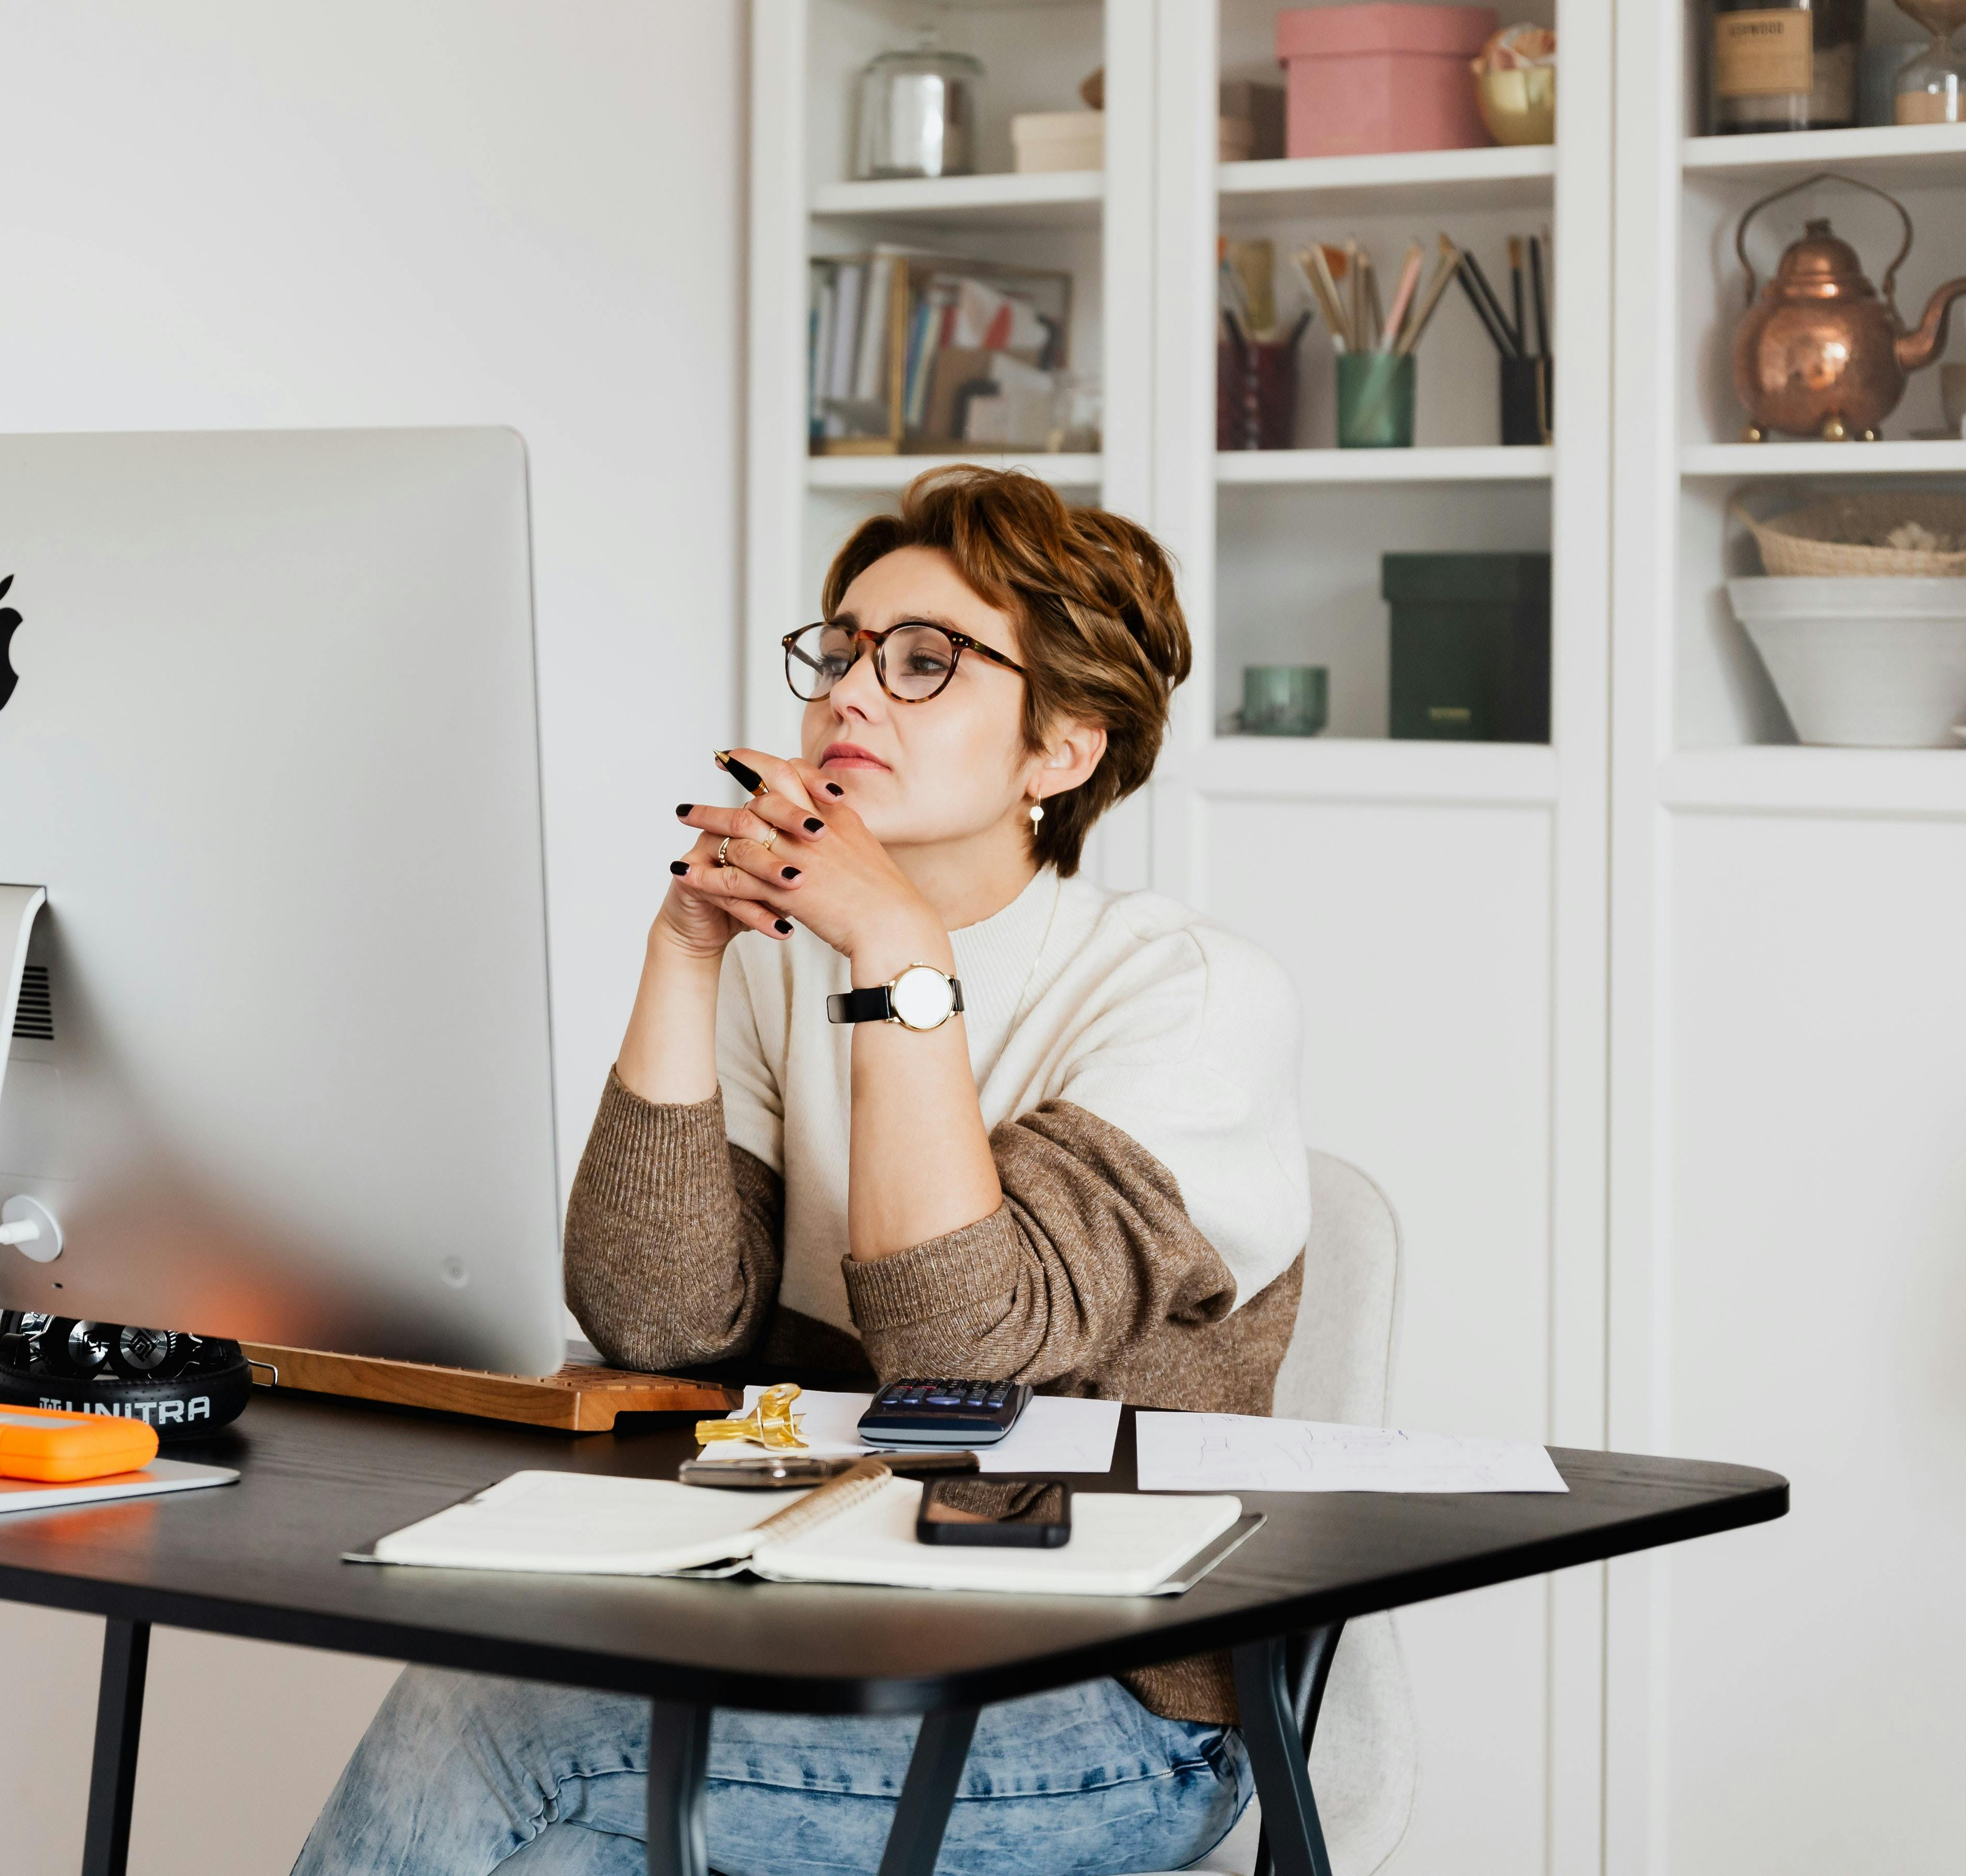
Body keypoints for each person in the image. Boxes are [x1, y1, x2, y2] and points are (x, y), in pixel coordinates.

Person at [293, 467, 1310, 1876]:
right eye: (839, 651)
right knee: (560, 1845)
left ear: (1061, 751)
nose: (849, 694)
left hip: (1112, 1706)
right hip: (817, 1616)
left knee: (504, 1724)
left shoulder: (1190, 996)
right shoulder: (783, 972)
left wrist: (900, 963)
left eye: (924, 664)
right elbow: (660, 1321)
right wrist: (686, 950)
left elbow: (961, 1352)